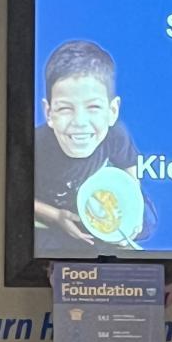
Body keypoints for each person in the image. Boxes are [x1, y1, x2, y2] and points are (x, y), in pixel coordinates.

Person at [34, 40, 151, 250]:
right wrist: (55, 216)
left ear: (112, 111)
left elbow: (129, 165)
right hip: (52, 208)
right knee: (52, 245)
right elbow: (16, 196)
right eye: (65, 109)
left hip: (92, 199)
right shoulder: (37, 146)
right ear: (48, 113)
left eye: (93, 107)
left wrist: (134, 207)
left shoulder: (116, 135)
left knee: (147, 220)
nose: (79, 122)